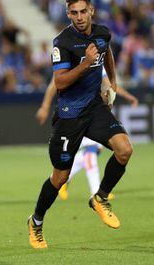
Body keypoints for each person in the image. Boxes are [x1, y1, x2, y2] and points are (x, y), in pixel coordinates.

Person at [27, 0, 133, 249]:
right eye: (73, 13)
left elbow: (107, 54)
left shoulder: (102, 33)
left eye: (83, 11)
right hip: (69, 116)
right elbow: (60, 82)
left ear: (91, 11)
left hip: (94, 108)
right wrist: (85, 63)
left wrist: (113, 82)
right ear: (68, 14)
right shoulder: (62, 42)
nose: (79, 17)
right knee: (59, 178)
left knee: (125, 149)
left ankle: (100, 198)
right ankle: (36, 221)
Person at [35, 70, 139, 200]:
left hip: (94, 114)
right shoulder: (73, 58)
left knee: (89, 153)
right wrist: (45, 106)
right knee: (90, 153)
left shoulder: (97, 60)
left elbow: (109, 85)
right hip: (74, 116)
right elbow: (54, 83)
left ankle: (64, 182)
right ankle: (96, 191)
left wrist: (123, 96)